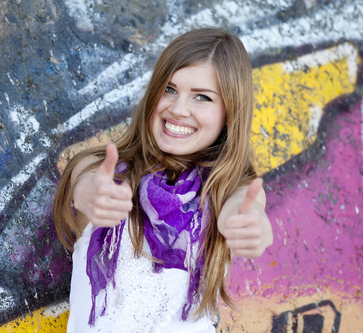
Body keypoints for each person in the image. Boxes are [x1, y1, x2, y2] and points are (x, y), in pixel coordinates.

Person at [52, 27, 273, 332]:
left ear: (229, 113)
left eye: (202, 97)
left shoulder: (229, 189)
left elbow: (246, 210)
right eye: (169, 89)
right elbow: (88, 184)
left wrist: (248, 225)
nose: (179, 109)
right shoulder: (101, 169)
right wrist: (91, 193)